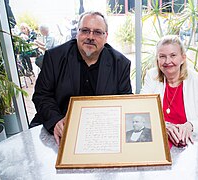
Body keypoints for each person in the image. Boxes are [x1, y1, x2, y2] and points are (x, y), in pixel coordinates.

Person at [31, 11, 132, 145]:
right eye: (85, 30)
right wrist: (56, 120)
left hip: (102, 132)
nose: (90, 37)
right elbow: (42, 95)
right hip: (62, 128)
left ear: (106, 36)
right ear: (77, 33)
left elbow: (125, 101)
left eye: (97, 32)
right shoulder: (54, 57)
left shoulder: (121, 63)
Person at [140, 35, 198, 148]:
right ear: (157, 59)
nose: (167, 61)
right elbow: (142, 109)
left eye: (173, 55)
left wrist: (190, 126)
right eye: (162, 56)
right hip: (160, 139)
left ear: (183, 58)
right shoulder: (151, 76)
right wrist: (163, 125)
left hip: (189, 142)